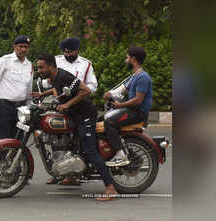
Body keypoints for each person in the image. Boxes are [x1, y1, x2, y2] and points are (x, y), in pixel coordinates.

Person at [35, 53, 118, 201]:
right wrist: (43, 96)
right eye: (38, 68)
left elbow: (85, 90)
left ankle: (110, 188)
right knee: (71, 144)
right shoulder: (53, 78)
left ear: (51, 66)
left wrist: (66, 104)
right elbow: (58, 90)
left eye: (41, 67)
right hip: (73, 114)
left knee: (89, 150)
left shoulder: (65, 76)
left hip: (85, 115)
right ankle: (72, 175)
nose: (39, 70)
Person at [44, 37, 98, 185]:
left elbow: (93, 85)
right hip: (60, 104)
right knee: (57, 138)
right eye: (65, 52)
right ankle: (58, 172)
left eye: (71, 52)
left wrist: (76, 90)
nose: (68, 55)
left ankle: (74, 173)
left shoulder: (86, 64)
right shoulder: (56, 61)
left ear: (77, 50)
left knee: (78, 140)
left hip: (79, 104)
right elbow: (47, 81)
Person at [103, 46, 152, 167]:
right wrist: (110, 94)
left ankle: (120, 155)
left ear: (133, 59)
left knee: (108, 122)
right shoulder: (134, 76)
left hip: (137, 113)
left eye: (127, 57)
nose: (125, 60)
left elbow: (138, 100)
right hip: (131, 110)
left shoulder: (143, 77)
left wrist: (120, 105)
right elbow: (123, 89)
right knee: (100, 120)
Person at [0, 35, 33, 139]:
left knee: (19, 139)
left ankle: (16, 156)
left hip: (21, 108)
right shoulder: (4, 60)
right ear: (14, 47)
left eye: (26, 47)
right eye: (20, 46)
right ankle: (1, 156)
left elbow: (29, 88)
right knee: (4, 140)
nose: (23, 49)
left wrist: (29, 106)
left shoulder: (29, 64)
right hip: (4, 107)